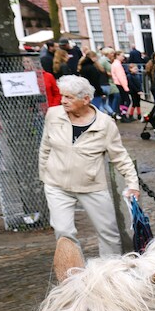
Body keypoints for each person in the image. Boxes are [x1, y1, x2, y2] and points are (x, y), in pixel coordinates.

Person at [38, 75, 139, 257]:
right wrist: (45, 175)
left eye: (69, 97)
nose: (63, 101)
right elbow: (45, 148)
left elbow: (120, 157)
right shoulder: (53, 114)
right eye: (63, 96)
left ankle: (110, 275)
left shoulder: (105, 124)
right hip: (57, 185)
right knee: (63, 233)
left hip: (91, 186)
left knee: (108, 233)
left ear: (86, 99)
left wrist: (133, 183)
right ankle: (74, 274)